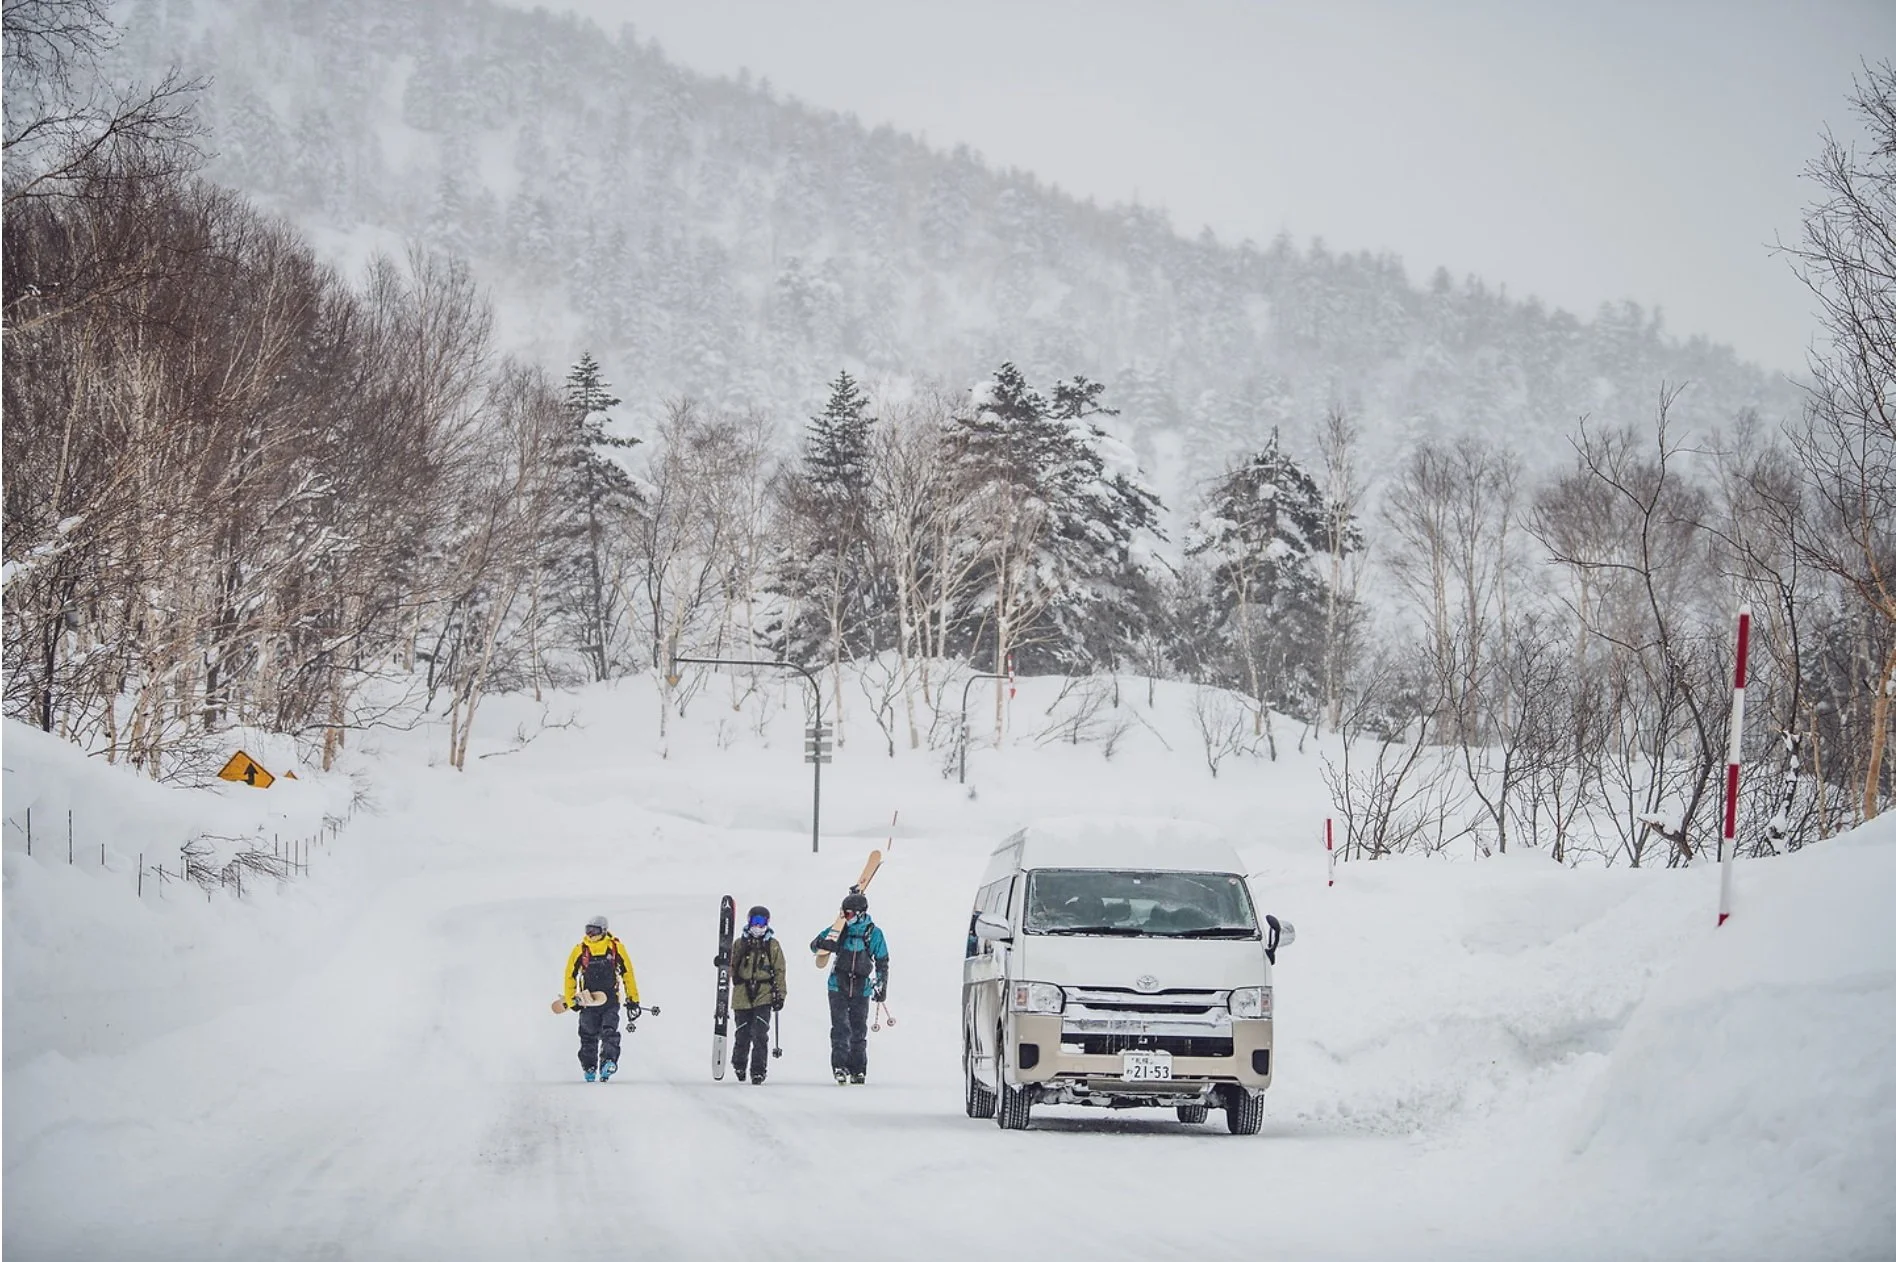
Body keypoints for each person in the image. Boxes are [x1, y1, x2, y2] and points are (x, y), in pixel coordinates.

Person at [809, 891, 889, 1085]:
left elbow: (882, 960)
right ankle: (839, 1066)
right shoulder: (839, 930)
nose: (846, 917)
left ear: (861, 913)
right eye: (844, 913)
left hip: (861, 986)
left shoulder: (873, 933)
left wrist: (881, 984)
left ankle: (858, 1069)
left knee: (858, 1029)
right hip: (838, 984)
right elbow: (814, 946)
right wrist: (824, 943)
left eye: (850, 914)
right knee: (840, 1028)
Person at [561, 913, 642, 1082]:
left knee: (609, 1032)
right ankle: (589, 1066)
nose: (590, 934)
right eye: (588, 930)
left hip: (611, 1001)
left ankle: (608, 1062)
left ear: (603, 931)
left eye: (594, 930)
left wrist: (633, 999)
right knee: (588, 1035)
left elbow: (628, 974)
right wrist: (571, 1000)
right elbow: (570, 975)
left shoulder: (615, 948)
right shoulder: (580, 950)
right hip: (588, 1002)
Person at [729, 905, 787, 1084]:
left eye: (762, 923)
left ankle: (758, 1070)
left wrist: (780, 995)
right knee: (743, 1033)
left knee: (760, 1033)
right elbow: (731, 965)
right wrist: (724, 965)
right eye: (755, 922)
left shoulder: (773, 945)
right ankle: (739, 1063)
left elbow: (780, 970)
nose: (758, 927)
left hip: (764, 992)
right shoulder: (740, 944)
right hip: (742, 993)